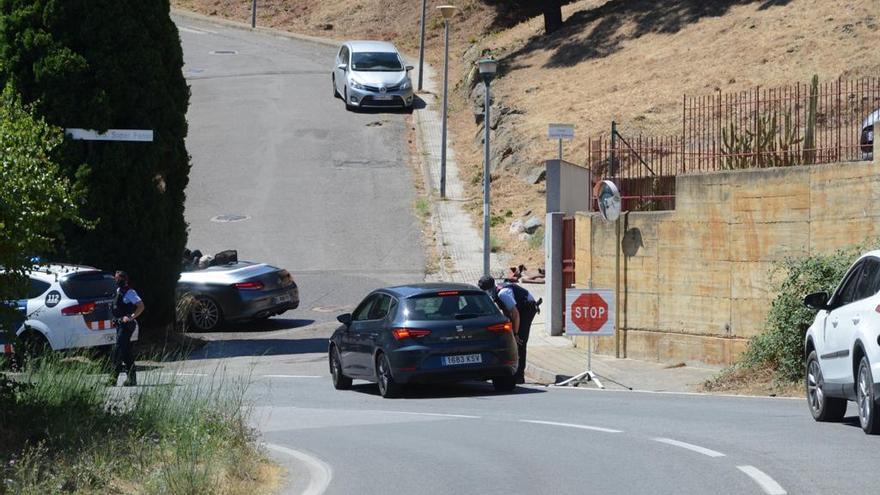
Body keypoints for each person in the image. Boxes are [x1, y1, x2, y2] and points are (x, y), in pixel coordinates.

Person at [478, 275, 539, 384]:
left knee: (520, 341)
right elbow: (506, 311)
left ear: (488, 289)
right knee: (512, 337)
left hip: (527, 309)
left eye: (484, 291)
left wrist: (515, 334)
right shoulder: (496, 293)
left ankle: (519, 376)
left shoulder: (503, 293)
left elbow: (515, 314)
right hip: (518, 310)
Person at [110, 270, 144, 386]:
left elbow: (141, 306)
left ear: (124, 280)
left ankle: (113, 379)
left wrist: (131, 317)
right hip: (119, 325)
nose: (116, 281)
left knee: (118, 350)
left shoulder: (130, 292)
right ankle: (132, 379)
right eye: (115, 279)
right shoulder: (118, 291)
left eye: (118, 279)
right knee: (125, 352)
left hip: (127, 326)